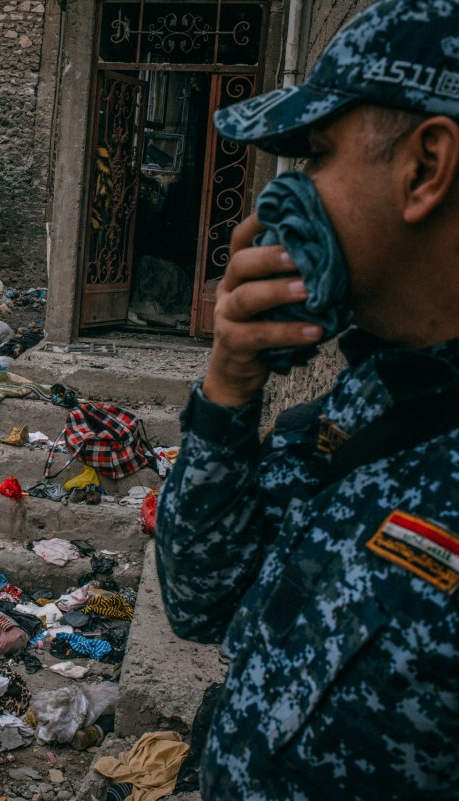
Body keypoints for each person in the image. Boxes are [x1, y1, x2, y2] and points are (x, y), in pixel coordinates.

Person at [155, 1, 459, 799]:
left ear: (426, 167)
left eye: (317, 153)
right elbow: (199, 599)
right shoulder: (369, 395)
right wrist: (230, 384)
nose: (289, 196)